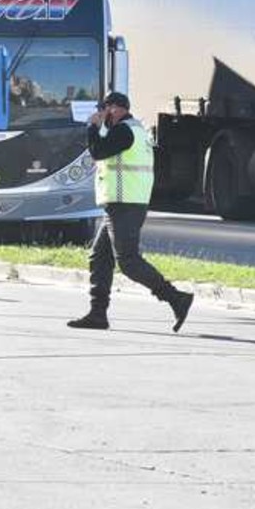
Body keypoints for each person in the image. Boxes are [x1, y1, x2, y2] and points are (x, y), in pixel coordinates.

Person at [66, 91, 194, 332]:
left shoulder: (126, 131)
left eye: (105, 109)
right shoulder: (128, 130)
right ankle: (97, 313)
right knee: (99, 257)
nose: (102, 114)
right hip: (120, 204)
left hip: (125, 205)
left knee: (128, 261)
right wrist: (99, 128)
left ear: (115, 108)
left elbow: (97, 151)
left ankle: (176, 298)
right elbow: (104, 151)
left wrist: (92, 127)